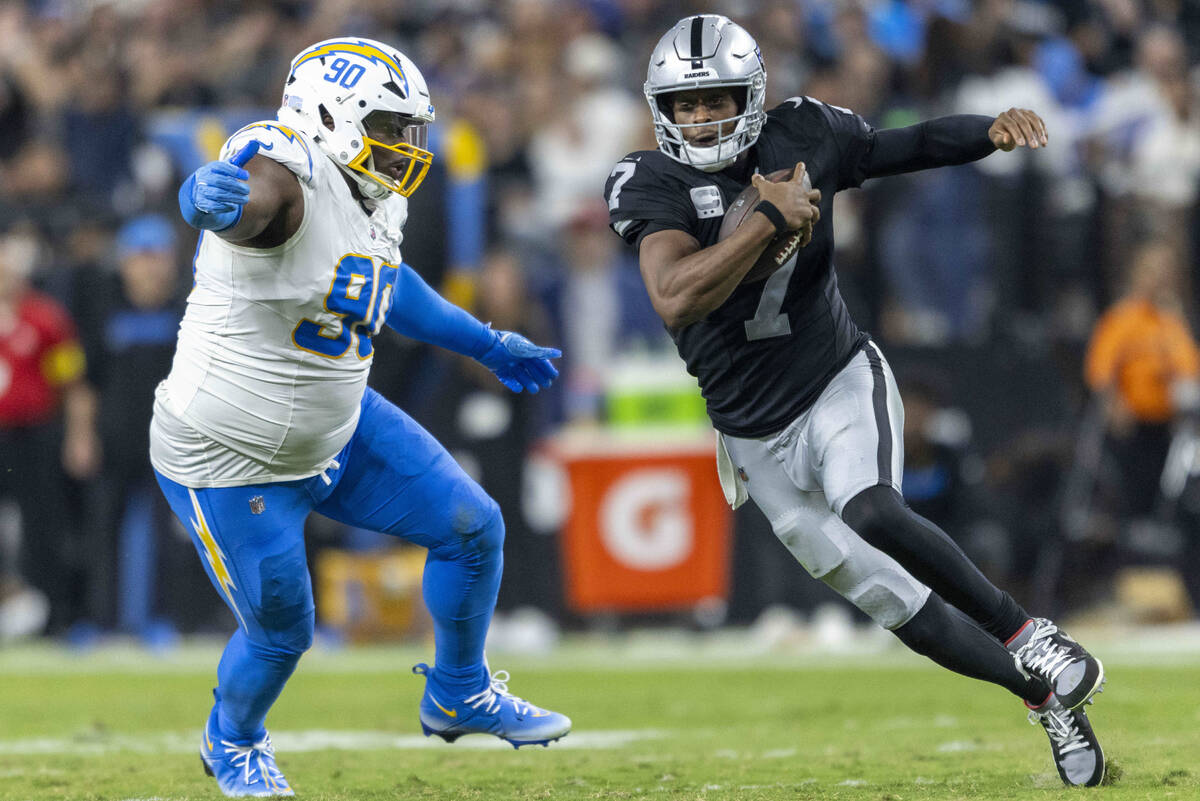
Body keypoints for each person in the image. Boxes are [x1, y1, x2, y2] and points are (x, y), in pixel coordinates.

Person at [605, 15, 1104, 788]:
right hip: (751, 435)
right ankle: (1045, 697)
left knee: (867, 505)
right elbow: (675, 297)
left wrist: (989, 132)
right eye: (686, 105)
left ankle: (1028, 629)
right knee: (896, 603)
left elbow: (903, 147)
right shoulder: (650, 182)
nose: (700, 118)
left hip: (835, 377)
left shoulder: (805, 130)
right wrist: (764, 219)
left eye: (717, 99)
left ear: (754, 94)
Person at [154, 38, 570, 797]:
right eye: (390, 125)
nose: (408, 146)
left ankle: (458, 690)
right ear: (328, 115)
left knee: (474, 529)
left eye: (413, 129)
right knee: (283, 632)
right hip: (230, 455)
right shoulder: (287, 162)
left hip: (338, 422)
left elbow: (387, 281)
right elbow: (254, 201)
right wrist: (206, 199)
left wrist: (486, 342)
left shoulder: (374, 191)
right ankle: (233, 740)